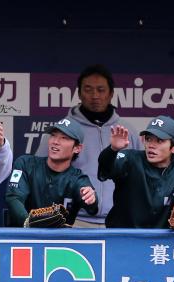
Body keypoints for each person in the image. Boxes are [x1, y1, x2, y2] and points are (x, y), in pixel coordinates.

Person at [35, 64, 141, 228]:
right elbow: (39, 173)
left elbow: (142, 176)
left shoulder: (126, 131)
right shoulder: (62, 130)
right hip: (73, 221)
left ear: (111, 93)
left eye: (101, 90)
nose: (95, 95)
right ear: (79, 93)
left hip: (118, 222)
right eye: (88, 89)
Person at [98, 115, 174, 228]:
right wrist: (113, 150)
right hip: (124, 236)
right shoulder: (130, 158)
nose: (151, 145)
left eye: (159, 141)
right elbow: (106, 168)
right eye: (148, 139)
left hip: (160, 240)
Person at [6, 117, 98, 227]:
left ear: (77, 148)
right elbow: (14, 197)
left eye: (64, 138)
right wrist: (28, 223)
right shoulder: (26, 164)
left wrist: (92, 199)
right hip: (23, 238)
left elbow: (92, 208)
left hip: (58, 241)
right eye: (53, 135)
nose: (55, 142)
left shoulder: (77, 179)